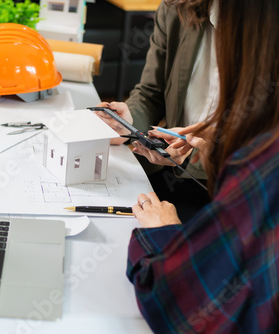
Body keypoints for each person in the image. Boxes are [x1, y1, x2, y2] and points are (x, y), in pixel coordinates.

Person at [126, 0, 279, 332]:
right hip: (183, 180)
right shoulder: (179, 10)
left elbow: (174, 302)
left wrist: (162, 233)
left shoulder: (255, 170)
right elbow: (149, 92)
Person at [95, 0, 219, 222]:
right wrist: (128, 122)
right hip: (169, 171)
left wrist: (196, 156)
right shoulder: (177, 8)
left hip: (235, 190)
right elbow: (151, 92)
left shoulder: (263, 28)